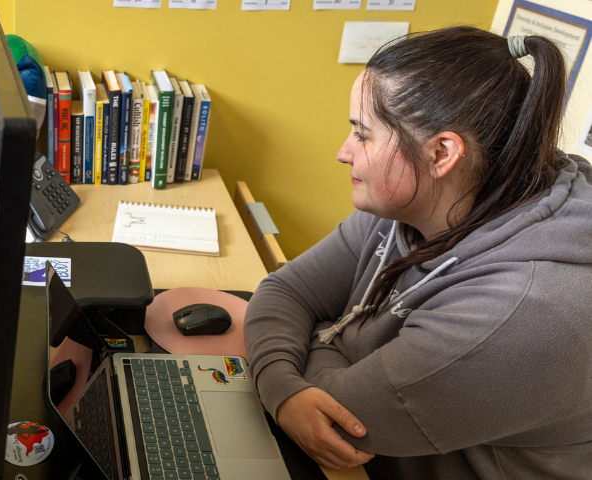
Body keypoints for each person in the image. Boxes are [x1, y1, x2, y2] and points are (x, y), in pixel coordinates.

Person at [244, 26, 592, 479]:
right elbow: (286, 291)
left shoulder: (522, 308)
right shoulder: (419, 199)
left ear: (441, 153)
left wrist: (315, 336)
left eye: (362, 135)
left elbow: (340, 420)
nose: (343, 152)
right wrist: (284, 387)